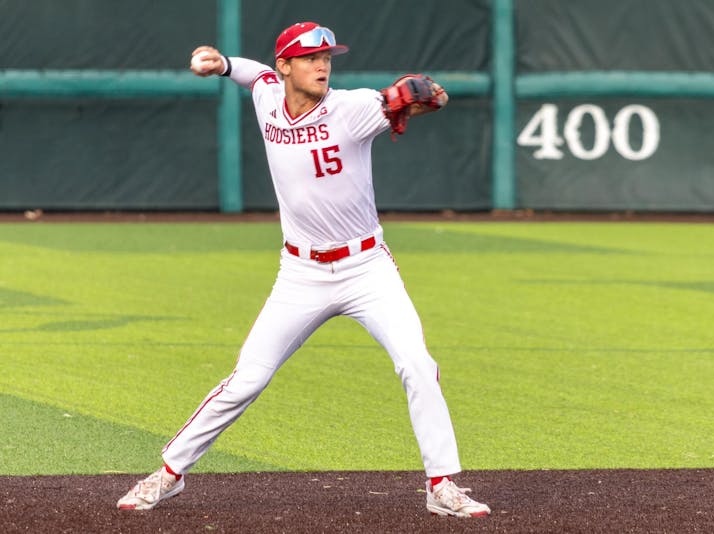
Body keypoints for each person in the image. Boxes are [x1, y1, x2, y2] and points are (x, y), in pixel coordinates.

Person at [116, 21, 490, 518]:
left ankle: (441, 485)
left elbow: (411, 100)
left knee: (418, 365)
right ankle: (168, 474)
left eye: (328, 58)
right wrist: (223, 64)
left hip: (366, 269)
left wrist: (426, 100)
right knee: (247, 378)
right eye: (311, 57)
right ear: (286, 65)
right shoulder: (269, 97)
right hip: (300, 275)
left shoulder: (353, 108)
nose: (322, 65)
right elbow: (254, 76)